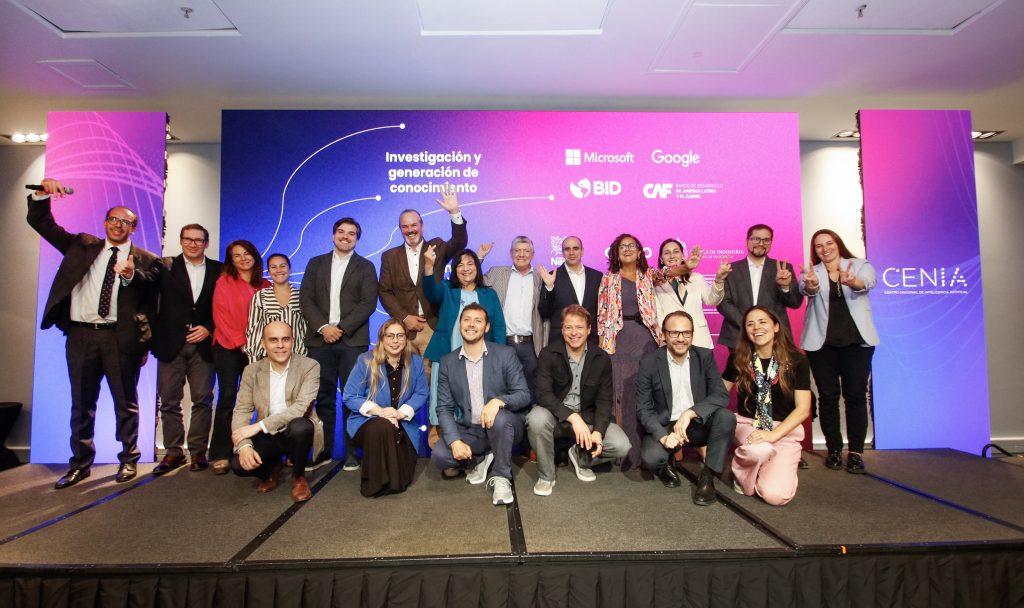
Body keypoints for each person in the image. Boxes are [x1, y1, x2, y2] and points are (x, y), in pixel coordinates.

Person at [26, 178, 158, 488]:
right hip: (81, 336)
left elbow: (151, 304)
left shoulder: (146, 260)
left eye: (125, 222)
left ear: (134, 228)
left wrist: (130, 277)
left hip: (119, 338)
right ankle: (80, 464)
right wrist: (41, 195)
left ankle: (128, 459)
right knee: (81, 403)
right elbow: (42, 223)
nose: (118, 225)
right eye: (113, 219)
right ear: (105, 222)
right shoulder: (82, 245)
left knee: (125, 403)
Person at [595, 233, 690, 467]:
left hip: (646, 340)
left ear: (640, 251)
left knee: (647, 394)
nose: (627, 249)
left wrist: (690, 265)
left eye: (632, 245)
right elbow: (602, 314)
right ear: (615, 253)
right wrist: (602, 347)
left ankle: (652, 449)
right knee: (623, 396)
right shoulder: (608, 279)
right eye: (622, 246)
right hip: (618, 341)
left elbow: (672, 272)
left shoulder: (649, 275)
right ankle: (625, 455)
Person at [431, 304, 530, 505]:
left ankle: (501, 477)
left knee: (499, 418)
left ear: (486, 327)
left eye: (478, 321)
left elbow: (524, 394)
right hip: (472, 429)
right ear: (460, 324)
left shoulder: (505, 354)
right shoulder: (448, 362)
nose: (471, 325)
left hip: (505, 425)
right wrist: (455, 441)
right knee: (440, 456)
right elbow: (444, 408)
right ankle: (484, 457)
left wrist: (499, 401)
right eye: (466, 319)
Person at [300, 218, 379, 470]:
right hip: (319, 339)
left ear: (357, 238)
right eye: (341, 232)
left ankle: (353, 453)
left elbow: (368, 303)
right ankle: (321, 452)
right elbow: (306, 299)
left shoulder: (366, 266)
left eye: (351, 233)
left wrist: (341, 328)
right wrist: (324, 328)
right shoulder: (315, 263)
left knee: (352, 397)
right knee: (322, 397)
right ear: (333, 235)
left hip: (351, 341)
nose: (346, 236)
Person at [799, 229, 879, 474]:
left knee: (856, 396)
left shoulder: (859, 265)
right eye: (819, 246)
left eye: (829, 243)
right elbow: (806, 289)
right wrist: (811, 285)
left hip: (856, 343)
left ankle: (856, 452)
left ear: (838, 243)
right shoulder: (812, 271)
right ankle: (833, 449)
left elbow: (868, 283)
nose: (825, 249)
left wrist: (853, 281)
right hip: (822, 346)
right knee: (828, 397)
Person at [528, 305, 631, 496]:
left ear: (589, 329)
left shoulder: (601, 358)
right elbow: (543, 394)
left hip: (588, 418)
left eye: (579, 327)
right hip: (556, 417)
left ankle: (579, 456)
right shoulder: (548, 354)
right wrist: (573, 418)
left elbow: (604, 400)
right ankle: (546, 476)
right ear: (562, 329)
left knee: (621, 445)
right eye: (568, 327)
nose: (574, 333)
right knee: (536, 418)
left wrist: (598, 431)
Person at [636, 311, 734, 505]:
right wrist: (663, 436)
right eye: (674, 333)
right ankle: (666, 463)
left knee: (726, 417)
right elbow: (644, 408)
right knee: (652, 457)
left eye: (686, 333)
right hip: (667, 426)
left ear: (692, 334)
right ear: (664, 335)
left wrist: (691, 413)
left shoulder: (704, 356)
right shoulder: (649, 362)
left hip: (697, 423)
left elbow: (721, 394)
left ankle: (708, 477)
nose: (681, 338)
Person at [151, 224, 221, 475]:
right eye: (188, 239)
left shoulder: (219, 270)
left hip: (203, 345)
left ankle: (198, 451)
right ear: (181, 241)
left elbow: (224, 306)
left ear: (206, 243)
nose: (193, 244)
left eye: (198, 240)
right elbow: (150, 301)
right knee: (169, 400)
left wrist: (209, 328)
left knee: (203, 399)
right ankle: (173, 452)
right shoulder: (164, 266)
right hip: (170, 344)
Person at [724, 306, 812, 506]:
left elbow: (803, 409)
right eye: (750, 324)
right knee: (759, 450)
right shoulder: (739, 358)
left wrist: (774, 434)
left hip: (783, 431)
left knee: (775, 496)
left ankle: (769, 470)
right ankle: (741, 475)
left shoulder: (797, 361)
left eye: (762, 322)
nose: (756, 327)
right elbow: (719, 393)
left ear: (776, 327)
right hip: (749, 424)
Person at [230, 322, 322, 503]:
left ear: (293, 341)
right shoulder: (251, 371)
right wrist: (245, 446)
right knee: (238, 465)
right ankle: (272, 470)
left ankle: (298, 477)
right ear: (263, 343)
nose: (280, 345)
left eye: (285, 339)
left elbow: (301, 408)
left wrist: (258, 426)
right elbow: (241, 411)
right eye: (273, 340)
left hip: (295, 430)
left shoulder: (310, 366)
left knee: (300, 427)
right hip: (268, 434)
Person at [421, 247, 505, 433]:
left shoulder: (489, 294)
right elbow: (431, 293)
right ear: (454, 269)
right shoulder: (447, 289)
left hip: (481, 358)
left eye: (470, 264)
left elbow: (498, 326)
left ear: (477, 267)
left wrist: (499, 357)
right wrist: (428, 266)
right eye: (460, 265)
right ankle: (446, 439)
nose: (465, 268)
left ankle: (476, 438)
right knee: (444, 399)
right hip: (447, 352)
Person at [377, 185, 467, 360]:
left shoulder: (436, 247)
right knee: (403, 375)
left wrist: (454, 212)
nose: (410, 230)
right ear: (400, 229)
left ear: (422, 226)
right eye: (405, 227)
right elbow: (384, 291)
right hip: (403, 330)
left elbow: (459, 242)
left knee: (432, 374)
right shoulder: (389, 256)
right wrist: (404, 317)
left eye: (414, 225)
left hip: (432, 327)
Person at [342, 319, 429, 497]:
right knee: (382, 426)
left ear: (406, 338)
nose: (395, 341)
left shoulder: (416, 362)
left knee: (405, 475)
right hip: (368, 421)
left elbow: (421, 393)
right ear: (382, 339)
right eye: (390, 336)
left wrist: (399, 413)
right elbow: (349, 396)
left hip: (402, 422)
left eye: (400, 336)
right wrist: (381, 413)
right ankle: (374, 485)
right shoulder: (365, 360)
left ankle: (394, 479)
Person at [209, 240, 270, 475]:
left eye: (246, 254)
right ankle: (221, 453)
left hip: (258, 351)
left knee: (260, 400)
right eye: (237, 255)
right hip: (228, 348)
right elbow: (220, 316)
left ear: (255, 256)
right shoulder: (224, 282)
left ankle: (255, 450)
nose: (243, 258)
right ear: (231, 261)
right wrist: (241, 342)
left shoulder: (265, 285)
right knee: (227, 398)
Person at [717, 224, 803, 350]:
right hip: (738, 336)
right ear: (747, 241)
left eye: (766, 240)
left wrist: (784, 287)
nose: (761, 243)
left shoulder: (783, 269)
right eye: (756, 239)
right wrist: (748, 323)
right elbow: (723, 303)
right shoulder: (730, 270)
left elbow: (795, 303)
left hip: (774, 337)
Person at [482, 236, 546, 401]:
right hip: (504, 342)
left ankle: (530, 417)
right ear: (511, 253)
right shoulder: (497, 273)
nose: (521, 254)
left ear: (532, 254)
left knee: (530, 390)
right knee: (503, 388)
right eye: (517, 250)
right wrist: (480, 257)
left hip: (531, 345)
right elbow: (474, 282)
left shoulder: (541, 277)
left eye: (526, 251)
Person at [654, 238, 731, 349]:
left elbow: (712, 300)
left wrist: (719, 280)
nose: (672, 256)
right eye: (667, 253)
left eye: (676, 251)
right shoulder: (655, 284)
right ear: (661, 259)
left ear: (682, 255)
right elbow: (658, 315)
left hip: (700, 339)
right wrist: (664, 337)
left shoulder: (697, 278)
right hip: (673, 341)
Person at [536, 236, 602, 345]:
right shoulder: (551, 277)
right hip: (560, 342)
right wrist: (550, 287)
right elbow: (544, 312)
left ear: (582, 251)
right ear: (562, 253)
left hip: (591, 341)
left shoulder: (597, 276)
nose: (571, 252)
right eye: (567, 249)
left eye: (575, 248)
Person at [244, 253, 306, 363]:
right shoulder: (260, 296)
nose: (278, 270)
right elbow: (253, 331)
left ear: (290, 269)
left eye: (282, 266)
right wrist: (254, 361)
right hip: (267, 358)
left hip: (297, 357)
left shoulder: (302, 296)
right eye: (273, 267)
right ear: (268, 272)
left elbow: (306, 329)